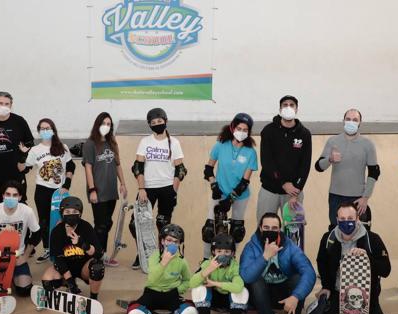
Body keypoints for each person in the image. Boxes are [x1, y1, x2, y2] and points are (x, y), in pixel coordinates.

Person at [239, 212, 316, 314]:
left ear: (280, 229)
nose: (270, 231)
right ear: (260, 228)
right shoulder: (252, 246)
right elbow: (245, 276)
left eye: (274, 228)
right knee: (256, 280)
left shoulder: (290, 246)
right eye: (266, 227)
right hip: (260, 298)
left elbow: (309, 272)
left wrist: (295, 296)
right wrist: (264, 257)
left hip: (284, 297)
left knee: (298, 279)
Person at [315, 202, 391, 314]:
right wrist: (326, 287)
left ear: (357, 219)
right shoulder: (329, 238)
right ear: (337, 220)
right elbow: (321, 262)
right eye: (342, 219)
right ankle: (334, 312)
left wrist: (368, 257)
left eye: (350, 218)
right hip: (339, 293)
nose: (346, 222)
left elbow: (386, 270)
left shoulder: (372, 239)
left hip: (366, 296)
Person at [129, 108, 187, 269]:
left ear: (166, 121)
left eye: (159, 122)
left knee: (163, 224)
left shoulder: (174, 143)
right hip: (147, 188)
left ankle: (163, 255)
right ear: (149, 125)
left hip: (167, 187)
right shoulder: (145, 142)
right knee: (136, 224)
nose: (157, 125)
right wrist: (141, 188)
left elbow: (180, 169)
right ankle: (143, 252)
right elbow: (138, 167)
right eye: (153, 123)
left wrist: (173, 190)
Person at [125, 224, 198, 314]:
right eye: (169, 240)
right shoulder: (154, 257)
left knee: (192, 312)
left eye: (176, 241)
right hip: (152, 293)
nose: (172, 244)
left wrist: (178, 290)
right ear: (163, 241)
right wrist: (164, 262)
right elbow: (152, 279)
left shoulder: (182, 261)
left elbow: (187, 280)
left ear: (179, 244)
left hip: (171, 294)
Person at [18, 118, 75, 263]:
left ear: (53, 130)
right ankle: (47, 249)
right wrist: (23, 154)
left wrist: (66, 185)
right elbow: (22, 168)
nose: (45, 131)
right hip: (42, 190)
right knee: (44, 222)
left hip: (60, 191)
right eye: (42, 128)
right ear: (38, 131)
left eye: (48, 128)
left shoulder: (62, 147)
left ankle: (62, 247)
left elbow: (71, 166)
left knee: (62, 220)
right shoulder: (35, 150)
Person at [201, 113, 258, 259]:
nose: (242, 132)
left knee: (237, 230)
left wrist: (231, 198)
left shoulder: (250, 152)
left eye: (245, 130)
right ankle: (206, 260)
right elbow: (208, 169)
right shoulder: (220, 145)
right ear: (233, 128)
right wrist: (214, 185)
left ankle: (232, 260)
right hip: (219, 192)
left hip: (240, 195)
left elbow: (245, 182)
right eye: (239, 128)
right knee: (209, 229)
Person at [314, 108, 380, 229]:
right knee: (336, 229)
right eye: (348, 119)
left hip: (358, 198)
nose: (351, 122)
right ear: (343, 121)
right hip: (335, 196)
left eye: (355, 120)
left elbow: (374, 172)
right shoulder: (333, 141)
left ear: (360, 123)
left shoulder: (367, 144)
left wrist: (365, 197)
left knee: (359, 232)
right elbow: (318, 167)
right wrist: (330, 159)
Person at [190, 233, 249, 314]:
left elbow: (238, 287)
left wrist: (215, 283)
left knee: (242, 292)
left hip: (229, 302)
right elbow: (192, 283)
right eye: (219, 251)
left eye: (227, 251)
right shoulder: (207, 264)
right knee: (198, 289)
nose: (222, 254)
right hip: (213, 301)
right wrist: (208, 270)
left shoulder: (234, 266)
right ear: (213, 252)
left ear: (233, 254)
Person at [256, 95, 312, 222]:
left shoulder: (305, 134)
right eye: (285, 105)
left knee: (294, 232)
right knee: (265, 229)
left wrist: (296, 191)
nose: (288, 107)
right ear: (280, 109)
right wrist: (283, 183)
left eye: (292, 105)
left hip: (293, 193)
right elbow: (267, 161)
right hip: (269, 190)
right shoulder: (268, 131)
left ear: (297, 109)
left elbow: (305, 165)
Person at [83, 112, 127, 267]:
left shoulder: (112, 143)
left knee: (107, 223)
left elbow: (118, 165)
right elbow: (88, 168)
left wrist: (122, 183)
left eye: (109, 124)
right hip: (98, 191)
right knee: (100, 225)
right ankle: (97, 256)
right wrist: (92, 189)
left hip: (111, 191)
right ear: (97, 125)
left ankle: (99, 254)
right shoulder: (90, 144)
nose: (106, 127)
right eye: (103, 124)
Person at [0, 181, 40, 297]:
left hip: (17, 253)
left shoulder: (27, 211)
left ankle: (12, 277)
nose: (11, 198)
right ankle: (6, 276)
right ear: (3, 196)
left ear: (20, 197)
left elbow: (37, 234)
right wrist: (1, 234)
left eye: (15, 195)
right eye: (8, 194)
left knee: (24, 290)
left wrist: (25, 257)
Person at [41, 196, 104, 300]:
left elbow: (98, 254)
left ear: (80, 213)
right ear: (62, 213)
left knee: (97, 267)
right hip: (66, 267)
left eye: (75, 211)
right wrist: (71, 282)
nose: (71, 214)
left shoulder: (86, 227)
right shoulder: (57, 231)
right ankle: (67, 284)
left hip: (84, 267)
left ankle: (93, 298)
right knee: (47, 280)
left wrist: (82, 244)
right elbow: (58, 259)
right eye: (67, 211)